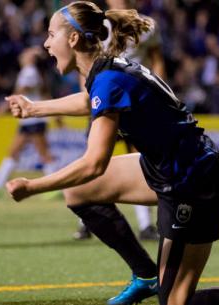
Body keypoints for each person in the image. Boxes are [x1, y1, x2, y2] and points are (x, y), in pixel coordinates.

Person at [5, 2, 219, 305]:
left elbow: (94, 164)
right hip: (170, 168)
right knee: (78, 192)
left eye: (50, 35)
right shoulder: (107, 70)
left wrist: (33, 187)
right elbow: (91, 100)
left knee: (175, 303)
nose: (46, 44)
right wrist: (34, 108)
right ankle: (146, 275)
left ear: (73, 38)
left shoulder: (108, 79)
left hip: (193, 182)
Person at [73, 0, 163, 241]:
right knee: (95, 159)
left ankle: (146, 225)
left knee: (143, 160)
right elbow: (85, 62)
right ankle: (87, 221)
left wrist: (158, 90)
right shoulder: (98, 24)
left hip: (136, 102)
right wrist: (89, 92)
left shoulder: (146, 24)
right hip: (105, 98)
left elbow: (157, 60)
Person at [0, 47, 58, 194]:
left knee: (44, 154)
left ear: (30, 58)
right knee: (14, 151)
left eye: (26, 54)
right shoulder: (32, 72)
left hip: (33, 119)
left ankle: (56, 188)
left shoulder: (29, 72)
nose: (22, 55)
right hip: (30, 120)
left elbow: (17, 95)